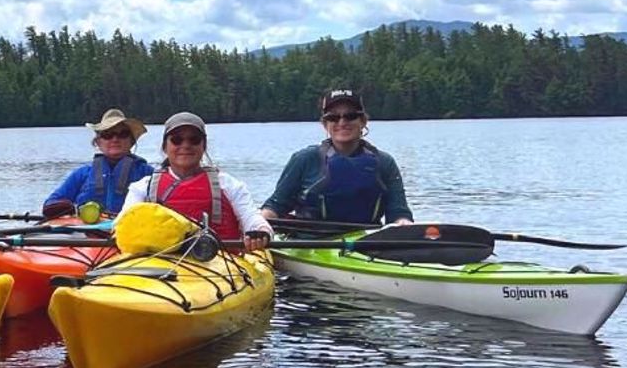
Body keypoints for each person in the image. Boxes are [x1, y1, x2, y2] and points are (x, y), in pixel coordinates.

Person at [120, 112, 271, 251]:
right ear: (165, 147)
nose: (185, 145)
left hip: (221, 262)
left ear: (203, 146)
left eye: (194, 140)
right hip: (160, 262)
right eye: (177, 140)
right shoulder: (142, 187)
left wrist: (260, 231)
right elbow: (123, 222)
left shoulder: (228, 184)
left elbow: (252, 218)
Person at [260, 89, 413, 225]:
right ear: (325, 124)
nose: (342, 122)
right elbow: (275, 206)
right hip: (311, 242)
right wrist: (258, 228)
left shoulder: (385, 163)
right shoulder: (304, 159)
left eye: (350, 116)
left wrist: (404, 224)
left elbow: (399, 213)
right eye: (333, 118)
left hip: (367, 244)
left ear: (363, 121)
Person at [41, 108, 152, 221]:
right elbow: (51, 203)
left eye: (122, 134)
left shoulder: (148, 173)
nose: (115, 139)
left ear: (131, 141)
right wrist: (71, 210)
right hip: (86, 234)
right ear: (98, 142)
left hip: (130, 231)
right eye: (108, 134)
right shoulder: (82, 174)